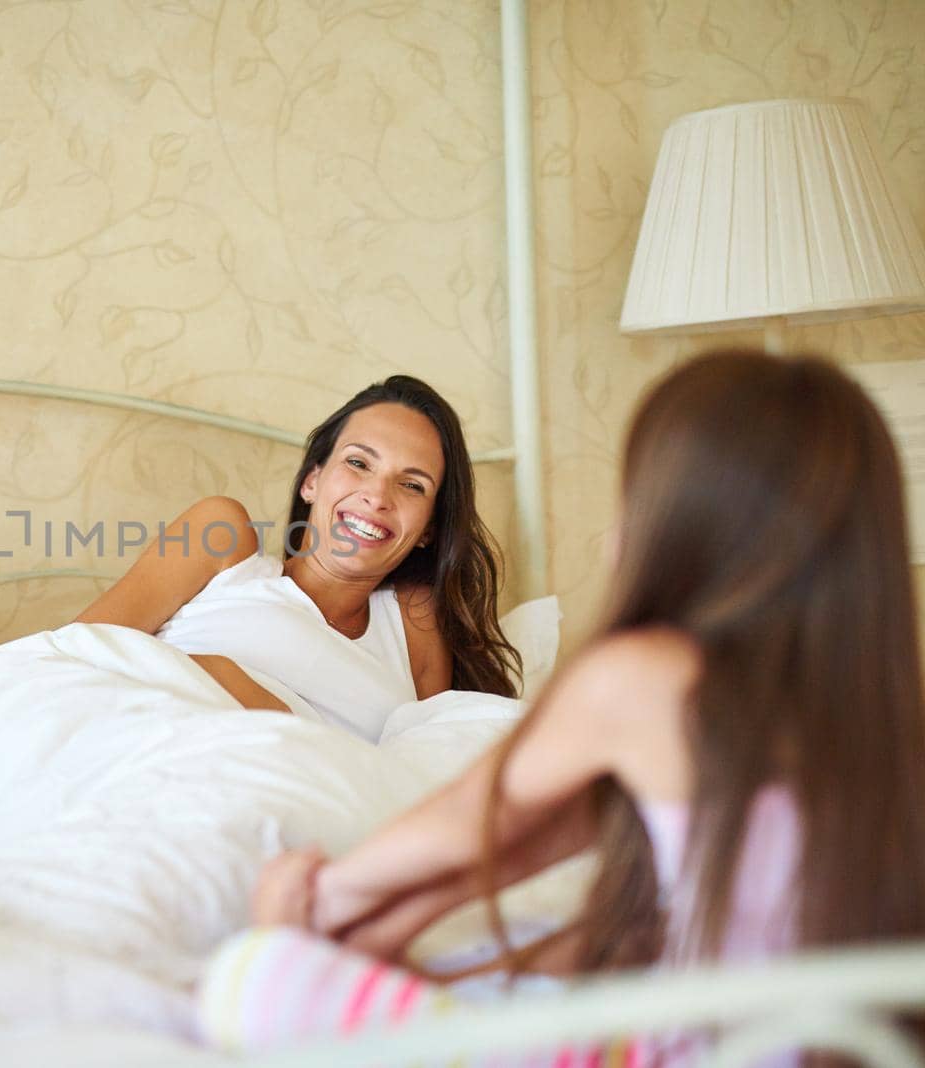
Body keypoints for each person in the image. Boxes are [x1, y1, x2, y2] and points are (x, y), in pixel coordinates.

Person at [198, 350, 925, 1055]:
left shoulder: (642, 677)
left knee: (251, 983)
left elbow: (477, 821)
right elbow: (584, 877)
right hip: (833, 1041)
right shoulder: (876, 704)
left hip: (706, 1044)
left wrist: (309, 907)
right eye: (358, 463)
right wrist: (433, 967)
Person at [77, 375, 518, 740]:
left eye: (412, 485)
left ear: (428, 531)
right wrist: (226, 683)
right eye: (359, 463)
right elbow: (70, 654)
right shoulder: (222, 539)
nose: (377, 496)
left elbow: (430, 765)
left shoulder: (413, 615)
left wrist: (260, 703)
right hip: (144, 754)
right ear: (312, 480)